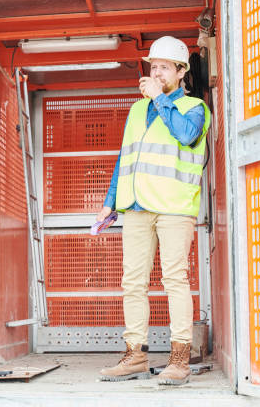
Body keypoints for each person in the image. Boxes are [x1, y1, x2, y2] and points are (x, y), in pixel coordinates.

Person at [97, 36, 211, 385]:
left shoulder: (194, 107)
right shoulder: (136, 110)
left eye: (164, 67)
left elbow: (187, 135)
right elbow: (124, 157)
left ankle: (179, 360)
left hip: (174, 207)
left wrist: (160, 98)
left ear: (180, 72)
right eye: (153, 66)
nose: (156, 71)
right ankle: (135, 355)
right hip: (136, 207)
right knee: (132, 281)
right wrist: (109, 202)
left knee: (174, 279)